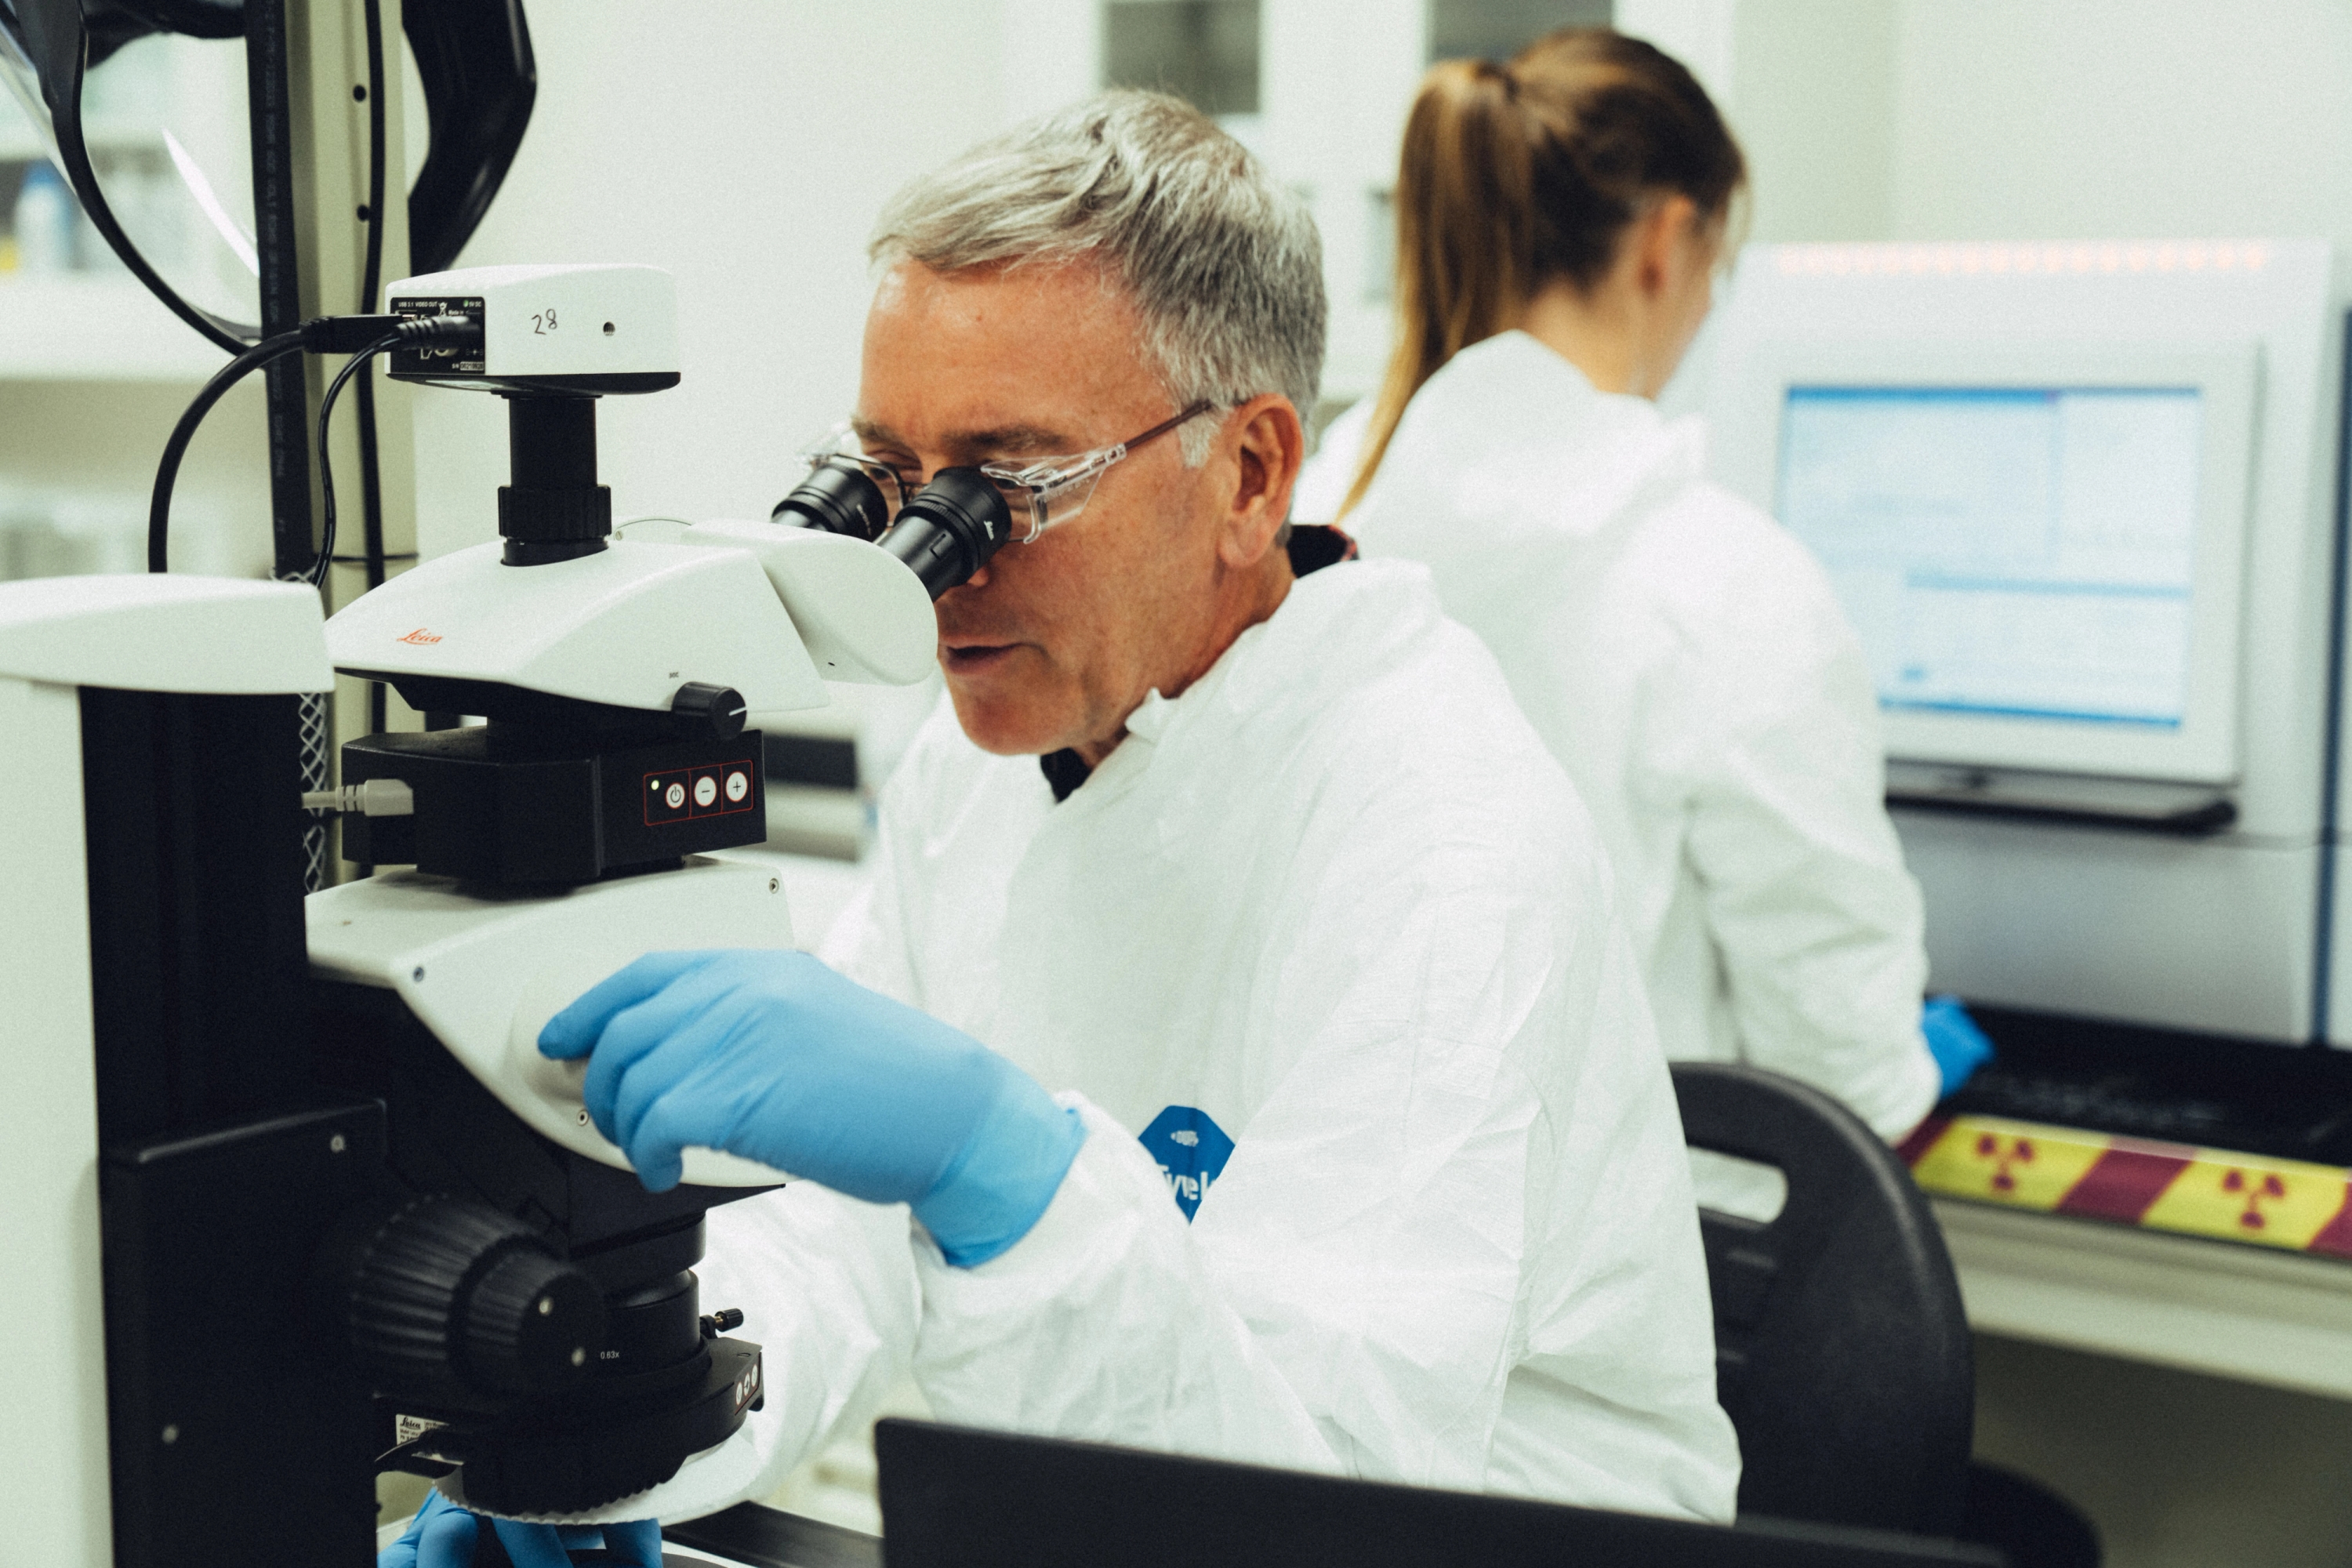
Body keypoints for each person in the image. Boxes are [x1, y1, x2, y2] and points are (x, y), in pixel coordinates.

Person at [383, 89, 1737, 1566]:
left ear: (1248, 474)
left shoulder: (1441, 850)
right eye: (893, 483)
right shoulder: (997, 750)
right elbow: (836, 1235)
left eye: (1008, 488)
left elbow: (1319, 1497)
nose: (932, 573)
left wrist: (1005, 1170)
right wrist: (617, 1439)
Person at [1294, 30, 1990, 1174]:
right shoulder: (1721, 583)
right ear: (1668, 243)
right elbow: (1843, 1066)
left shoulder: (1314, 525)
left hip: (1351, 1204)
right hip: (1649, 1246)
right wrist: (1912, 1063)